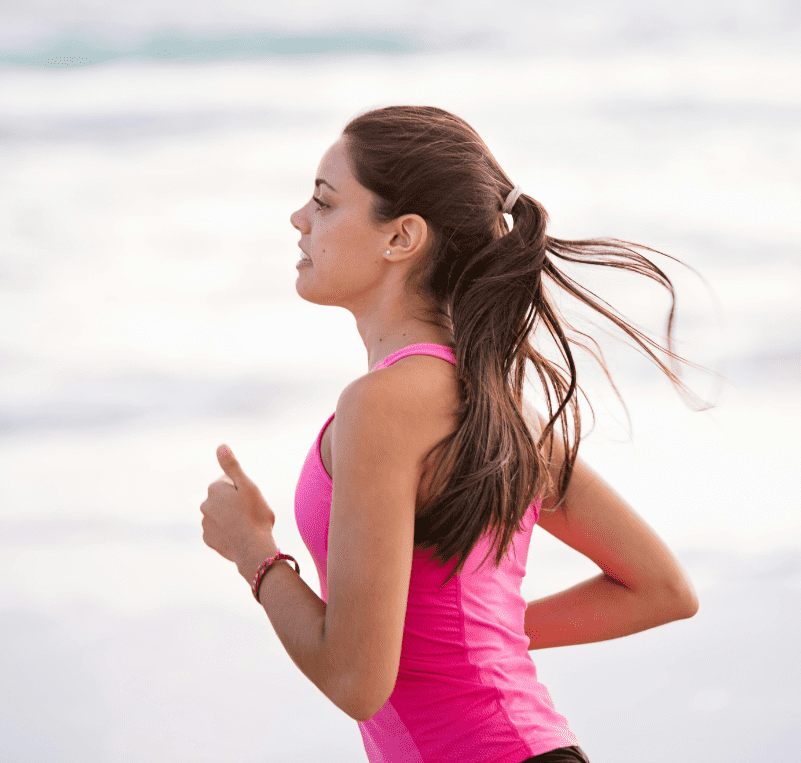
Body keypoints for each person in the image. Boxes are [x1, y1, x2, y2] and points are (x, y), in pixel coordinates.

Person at [200, 105, 715, 763]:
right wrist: (477, 642)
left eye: (325, 203)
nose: (299, 218)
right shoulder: (491, 401)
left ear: (401, 237)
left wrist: (255, 553)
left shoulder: (383, 405)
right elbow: (660, 588)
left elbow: (356, 681)